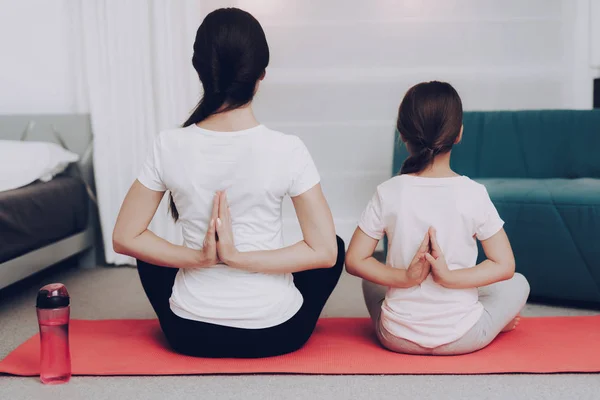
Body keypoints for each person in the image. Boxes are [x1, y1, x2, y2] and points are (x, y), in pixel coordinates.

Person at [112, 8, 344, 358]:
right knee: (338, 246)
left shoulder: (168, 144)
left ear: (199, 68)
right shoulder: (288, 149)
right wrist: (240, 258)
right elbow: (324, 252)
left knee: (149, 253)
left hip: (188, 334)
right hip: (276, 335)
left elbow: (125, 237)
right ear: (261, 73)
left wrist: (199, 258)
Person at [345, 81, 530, 355]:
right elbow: (505, 266)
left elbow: (354, 260)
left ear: (402, 134)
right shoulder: (473, 193)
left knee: (371, 277)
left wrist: (405, 278)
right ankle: (493, 320)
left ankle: (424, 307)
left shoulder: (388, 192)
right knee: (518, 282)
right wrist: (449, 278)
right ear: (458, 134)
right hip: (464, 337)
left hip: (396, 337)